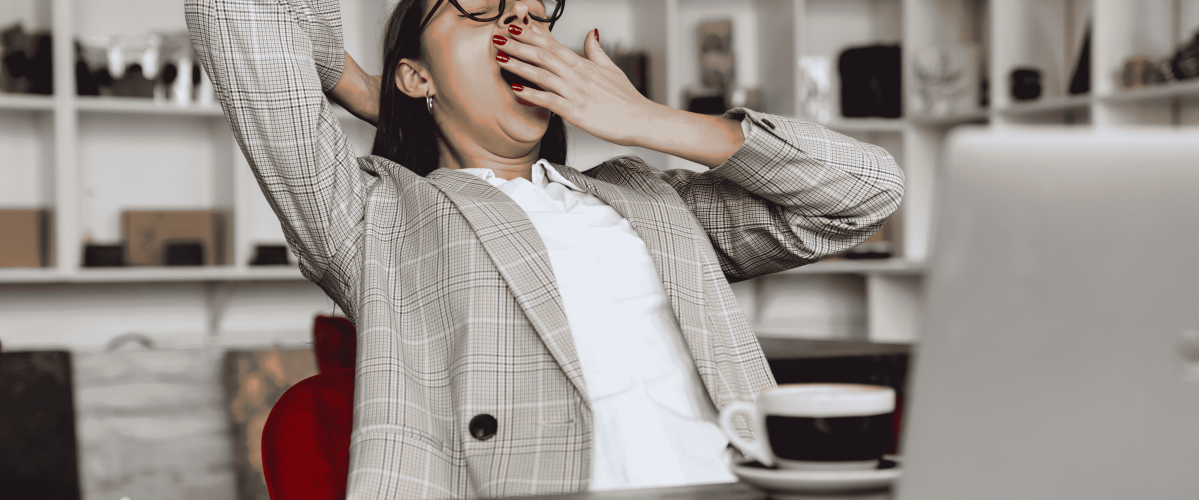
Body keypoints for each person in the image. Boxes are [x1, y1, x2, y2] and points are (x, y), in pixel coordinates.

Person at [185, 0, 905, 498]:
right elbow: (240, 15)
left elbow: (866, 194)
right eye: (480, 8)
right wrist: (365, 88)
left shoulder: (646, 198)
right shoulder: (374, 215)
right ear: (416, 72)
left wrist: (647, 120)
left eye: (533, 15)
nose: (518, 25)